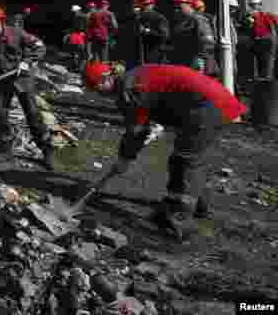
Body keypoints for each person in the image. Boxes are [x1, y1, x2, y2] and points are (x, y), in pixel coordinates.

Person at [84, 61, 247, 240]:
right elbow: (147, 116)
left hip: (209, 106)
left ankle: (177, 220)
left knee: (184, 160)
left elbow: (137, 130)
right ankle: (199, 208)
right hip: (208, 102)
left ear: (106, 79)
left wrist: (125, 158)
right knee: (191, 159)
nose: (99, 94)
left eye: (97, 88)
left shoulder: (131, 90)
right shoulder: (134, 78)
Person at [0, 4, 54, 170]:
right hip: (2, 78)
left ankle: (46, 149)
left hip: (22, 78)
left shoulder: (16, 32)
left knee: (32, 114)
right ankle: (5, 151)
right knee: (1, 113)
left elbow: (39, 46)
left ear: (0, 21)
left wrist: (27, 61)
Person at [170, 0, 215, 74]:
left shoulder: (198, 19)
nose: (176, 10)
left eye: (179, 8)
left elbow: (208, 43)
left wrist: (200, 60)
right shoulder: (180, 21)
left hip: (196, 62)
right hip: (182, 61)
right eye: (175, 8)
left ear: (189, 6)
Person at [245, 0, 277, 80]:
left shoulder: (267, 15)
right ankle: (263, 78)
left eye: (255, 5)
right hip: (259, 40)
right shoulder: (249, 16)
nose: (254, 7)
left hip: (266, 40)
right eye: (252, 5)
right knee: (261, 60)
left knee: (267, 61)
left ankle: (266, 78)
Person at [132, 0, 169, 66]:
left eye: (146, 5)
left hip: (154, 55)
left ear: (152, 5)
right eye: (140, 6)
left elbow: (164, 36)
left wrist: (146, 31)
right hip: (138, 56)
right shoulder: (136, 19)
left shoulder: (159, 18)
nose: (143, 8)